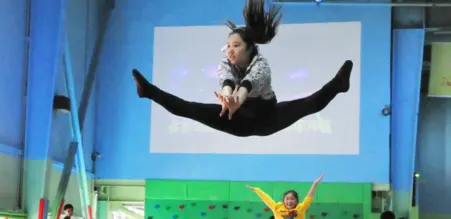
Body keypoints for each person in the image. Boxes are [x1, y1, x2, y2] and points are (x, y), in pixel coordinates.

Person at [131, 0, 353, 138]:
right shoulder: (225, 64)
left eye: (236, 46)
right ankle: (148, 91)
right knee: (189, 109)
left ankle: (338, 85)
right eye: (228, 46)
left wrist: (237, 100)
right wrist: (228, 101)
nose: (230, 50)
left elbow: (247, 85)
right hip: (237, 120)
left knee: (308, 104)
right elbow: (227, 82)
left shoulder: (261, 65)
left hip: (268, 117)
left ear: (249, 48)